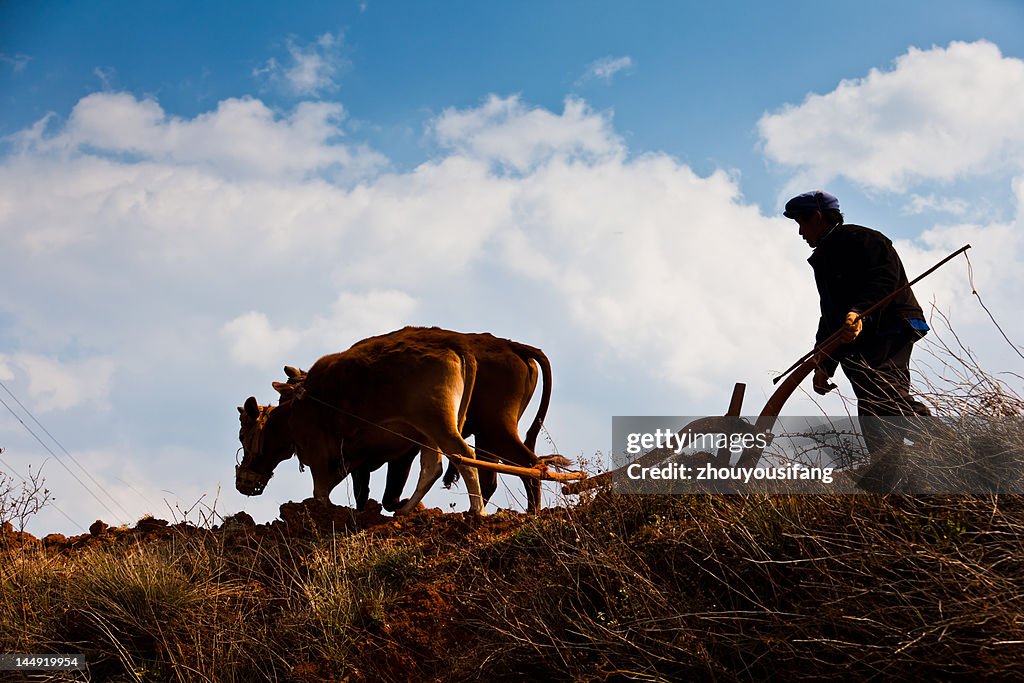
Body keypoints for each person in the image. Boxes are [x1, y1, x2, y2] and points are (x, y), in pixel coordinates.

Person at [783, 190, 932, 492]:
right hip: (861, 338)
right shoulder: (824, 258)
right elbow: (831, 317)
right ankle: (890, 474)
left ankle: (940, 442)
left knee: (883, 393)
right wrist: (823, 364)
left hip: (890, 327)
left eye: (802, 223)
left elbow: (885, 279)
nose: (800, 232)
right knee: (870, 402)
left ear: (818, 217)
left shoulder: (864, 240)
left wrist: (858, 312)